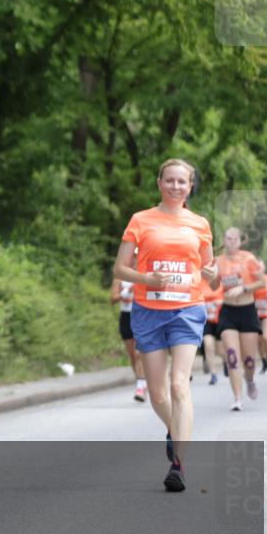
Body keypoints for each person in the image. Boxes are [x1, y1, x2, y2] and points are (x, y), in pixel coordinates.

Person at [113, 158, 217, 493]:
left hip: (187, 309)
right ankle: (176, 430)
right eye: (169, 180)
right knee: (157, 393)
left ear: (190, 187)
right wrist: (145, 277)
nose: (175, 186)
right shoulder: (141, 220)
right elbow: (119, 269)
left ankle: (179, 464)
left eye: (182, 182)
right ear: (159, 183)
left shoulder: (200, 223)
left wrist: (212, 274)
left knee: (178, 385)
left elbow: (208, 268)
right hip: (148, 310)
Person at [210, 228, 265, 410]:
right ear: (224, 240)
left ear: (240, 241)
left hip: (247, 311)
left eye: (235, 238)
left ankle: (249, 379)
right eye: (228, 238)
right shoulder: (218, 261)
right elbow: (214, 285)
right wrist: (211, 276)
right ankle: (238, 399)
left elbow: (261, 282)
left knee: (249, 360)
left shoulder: (248, 258)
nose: (232, 241)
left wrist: (244, 288)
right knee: (232, 357)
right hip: (228, 312)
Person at [109, 257, 147, 401]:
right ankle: (141, 381)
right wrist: (124, 293)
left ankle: (141, 387)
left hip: (141, 316)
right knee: (132, 355)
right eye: (132, 258)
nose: (134, 260)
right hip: (125, 316)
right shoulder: (120, 278)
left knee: (138, 354)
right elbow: (112, 299)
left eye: (136, 258)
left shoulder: (144, 275)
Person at [200, 277, 224, 385]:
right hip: (206, 320)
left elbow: (231, 297)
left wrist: (221, 302)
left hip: (221, 319)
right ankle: (213, 374)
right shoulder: (199, 281)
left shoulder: (222, 280)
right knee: (208, 345)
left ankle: (227, 362)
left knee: (220, 350)